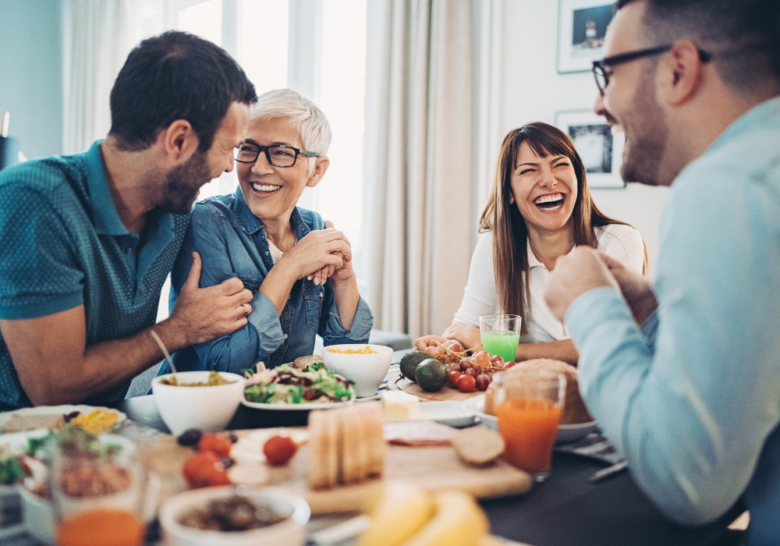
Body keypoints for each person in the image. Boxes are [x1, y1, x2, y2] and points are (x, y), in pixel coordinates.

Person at [543, 0, 780, 541]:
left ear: (678, 69)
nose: (599, 105)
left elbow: (688, 480)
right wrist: (649, 309)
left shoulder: (728, 186)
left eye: (608, 73)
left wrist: (589, 306)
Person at [0, 31, 258, 410]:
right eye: (227, 148)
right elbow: (54, 388)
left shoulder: (177, 211)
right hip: (19, 444)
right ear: (178, 141)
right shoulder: (34, 201)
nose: (226, 168)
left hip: (103, 433)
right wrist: (179, 329)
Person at [161, 89, 373, 375]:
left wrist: (345, 280)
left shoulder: (315, 229)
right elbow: (225, 367)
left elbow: (350, 357)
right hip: (200, 413)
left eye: (281, 153)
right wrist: (289, 267)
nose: (259, 168)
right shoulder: (206, 222)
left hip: (281, 412)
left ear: (316, 171)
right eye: (247, 149)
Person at [415, 122, 645, 364]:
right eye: (528, 170)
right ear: (510, 192)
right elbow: (466, 328)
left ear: (578, 177)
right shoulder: (494, 246)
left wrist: (500, 349)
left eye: (560, 165)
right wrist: (448, 345)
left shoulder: (619, 241)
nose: (549, 180)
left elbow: (608, 342)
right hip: (522, 392)